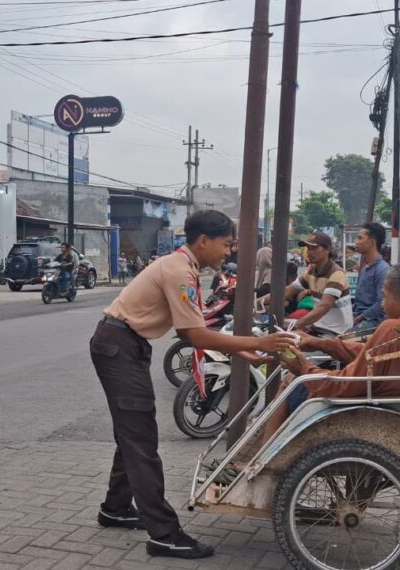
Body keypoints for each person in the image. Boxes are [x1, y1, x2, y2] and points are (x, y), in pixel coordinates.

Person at [90, 210, 296, 560]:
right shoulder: (178, 270)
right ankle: (164, 534)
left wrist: (246, 351)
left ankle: (116, 508)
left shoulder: (183, 266)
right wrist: (257, 344)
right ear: (203, 241)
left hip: (124, 345)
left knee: (133, 432)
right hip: (119, 348)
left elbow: (196, 333)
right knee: (140, 438)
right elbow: (192, 334)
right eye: (226, 244)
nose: (228, 252)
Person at [262, 263, 400, 443]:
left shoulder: (394, 328)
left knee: (290, 379)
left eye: (385, 297)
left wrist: (304, 368)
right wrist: (320, 343)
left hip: (367, 411)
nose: (382, 304)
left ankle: (265, 459)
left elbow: (346, 384)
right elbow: (369, 353)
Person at [263, 230, 353, 334]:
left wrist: (297, 324)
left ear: (327, 249)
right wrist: (257, 302)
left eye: (314, 248)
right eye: (308, 248)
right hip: (318, 325)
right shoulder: (311, 271)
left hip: (336, 331)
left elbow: (324, 306)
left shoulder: (336, 273)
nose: (310, 252)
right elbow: (287, 292)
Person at [351, 223, 390, 332]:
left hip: (373, 321)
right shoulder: (365, 268)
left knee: (343, 340)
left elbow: (381, 303)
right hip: (359, 317)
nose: (356, 242)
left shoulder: (383, 269)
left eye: (360, 238)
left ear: (372, 241)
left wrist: (359, 318)